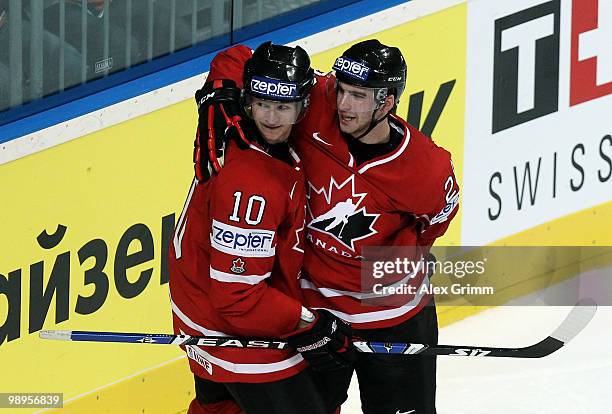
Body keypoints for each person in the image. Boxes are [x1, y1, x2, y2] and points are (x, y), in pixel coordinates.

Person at [198, 39, 460, 414]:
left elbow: (435, 225)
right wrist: (217, 98)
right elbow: (236, 56)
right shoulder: (316, 101)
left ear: (386, 102)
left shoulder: (427, 168)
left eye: (358, 96)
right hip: (318, 319)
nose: (342, 104)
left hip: (392, 317)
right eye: (341, 89)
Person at [168, 42, 354, 414]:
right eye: (263, 104)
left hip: (200, 302)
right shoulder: (251, 186)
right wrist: (310, 323)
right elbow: (237, 298)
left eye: (282, 106)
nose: (271, 116)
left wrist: (216, 95)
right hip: (228, 330)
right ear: (248, 99)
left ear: (302, 106)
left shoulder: (234, 120)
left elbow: (234, 54)